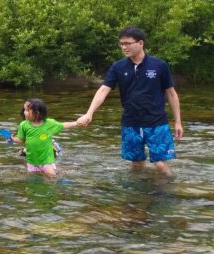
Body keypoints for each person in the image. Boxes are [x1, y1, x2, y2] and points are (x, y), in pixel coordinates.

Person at [76, 26, 183, 175]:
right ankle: (136, 195)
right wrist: (89, 113)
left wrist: (178, 122)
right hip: (131, 122)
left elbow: (171, 94)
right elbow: (103, 90)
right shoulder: (118, 67)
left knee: (160, 165)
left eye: (128, 43)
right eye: (121, 44)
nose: (124, 47)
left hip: (157, 122)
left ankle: (169, 194)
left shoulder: (159, 65)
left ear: (140, 43)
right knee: (137, 164)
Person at [11, 99, 81, 179]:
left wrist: (77, 123)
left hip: (46, 161)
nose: (24, 112)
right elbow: (21, 139)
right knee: (33, 179)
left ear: (37, 113)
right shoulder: (24, 125)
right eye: (24, 110)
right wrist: (12, 139)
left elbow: (63, 125)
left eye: (27, 110)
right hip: (32, 161)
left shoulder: (48, 123)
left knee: (51, 178)